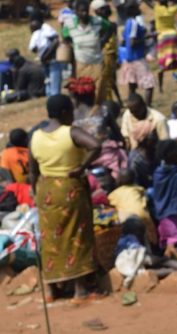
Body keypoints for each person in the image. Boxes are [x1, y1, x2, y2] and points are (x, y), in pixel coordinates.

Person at [29, 94, 102, 304]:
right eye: (70, 111)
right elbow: (96, 145)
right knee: (75, 234)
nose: (73, 116)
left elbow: (32, 171)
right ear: (63, 113)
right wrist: (81, 167)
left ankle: (52, 290)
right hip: (69, 188)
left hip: (46, 190)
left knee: (50, 237)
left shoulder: (35, 136)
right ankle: (80, 290)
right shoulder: (70, 132)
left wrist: (36, 193)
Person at [61, 0, 112, 105]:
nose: (84, 14)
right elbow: (65, 36)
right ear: (76, 12)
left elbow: (110, 27)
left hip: (97, 61)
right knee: (83, 90)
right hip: (80, 63)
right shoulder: (70, 25)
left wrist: (103, 40)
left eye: (86, 11)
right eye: (81, 11)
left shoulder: (97, 21)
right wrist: (71, 46)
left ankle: (97, 112)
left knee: (99, 90)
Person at [119, 2, 156, 107]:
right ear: (133, 10)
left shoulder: (128, 23)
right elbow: (132, 42)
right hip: (137, 58)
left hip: (129, 58)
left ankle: (132, 107)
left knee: (132, 85)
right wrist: (147, 38)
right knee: (149, 84)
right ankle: (148, 107)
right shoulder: (134, 23)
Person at [108, 169, 158, 245]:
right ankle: (153, 245)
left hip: (126, 218)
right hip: (143, 215)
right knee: (148, 236)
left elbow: (110, 206)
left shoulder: (114, 194)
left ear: (118, 180)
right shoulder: (138, 188)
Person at [91, 0, 123, 104]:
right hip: (105, 54)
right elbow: (99, 42)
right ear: (97, 11)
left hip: (112, 54)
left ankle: (118, 101)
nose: (106, 10)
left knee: (112, 79)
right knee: (107, 81)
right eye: (103, 9)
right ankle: (109, 104)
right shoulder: (98, 24)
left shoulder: (110, 23)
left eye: (106, 7)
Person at [154, 0, 177, 92]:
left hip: (163, 37)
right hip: (174, 36)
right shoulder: (172, 9)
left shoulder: (157, 9)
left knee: (162, 63)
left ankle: (161, 88)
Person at [28, 15, 61, 97]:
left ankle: (55, 99)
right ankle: (50, 99)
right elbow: (33, 48)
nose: (31, 24)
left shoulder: (46, 28)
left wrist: (46, 55)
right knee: (48, 82)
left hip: (52, 59)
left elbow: (56, 41)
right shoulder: (36, 32)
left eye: (32, 21)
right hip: (44, 61)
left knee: (54, 83)